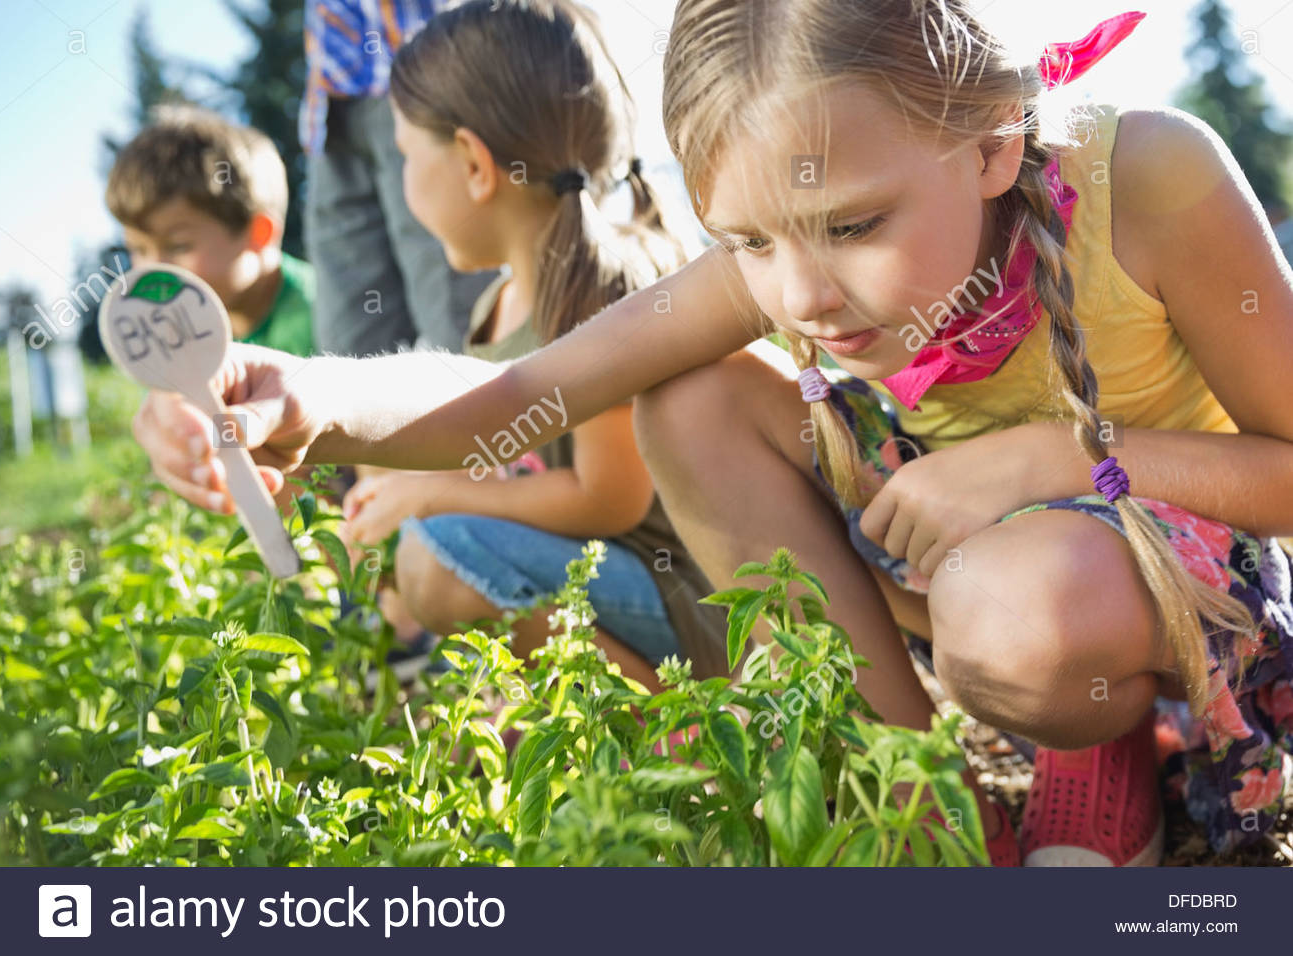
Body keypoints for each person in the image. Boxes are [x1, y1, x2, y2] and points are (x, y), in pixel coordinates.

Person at [130, 1, 1293, 868]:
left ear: (990, 142)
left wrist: (1058, 459)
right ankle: (931, 812)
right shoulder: (793, 260)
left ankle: (1105, 753)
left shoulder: (1146, 174)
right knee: (688, 399)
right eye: (749, 243)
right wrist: (310, 402)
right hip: (964, 560)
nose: (803, 295)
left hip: (1148, 578)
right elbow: (526, 390)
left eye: (853, 224)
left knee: (1012, 601)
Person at [333, 0, 728, 690]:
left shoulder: (600, 292)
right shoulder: (494, 306)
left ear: (474, 164)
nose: (399, 176)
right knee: (423, 547)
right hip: (598, 585)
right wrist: (406, 485)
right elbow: (507, 473)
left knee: (438, 558)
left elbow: (610, 502)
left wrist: (434, 499)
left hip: (681, 606)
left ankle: (680, 731)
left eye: (403, 154)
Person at [302, 0, 497, 357]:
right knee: (350, 352)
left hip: (426, 81)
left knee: (458, 333)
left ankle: (487, 412)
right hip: (331, 102)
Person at [106, 104, 315, 358]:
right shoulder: (173, 338)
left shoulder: (328, 318)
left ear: (260, 233)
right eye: (139, 249)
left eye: (178, 246)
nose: (156, 271)